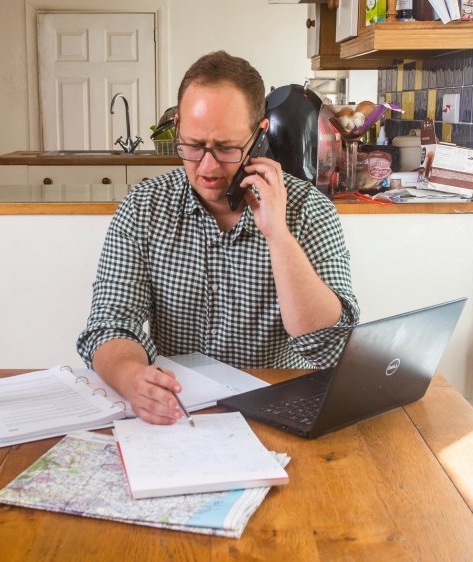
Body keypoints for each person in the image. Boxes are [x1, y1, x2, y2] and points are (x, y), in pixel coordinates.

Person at [77, 51, 359, 424]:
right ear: (177, 127)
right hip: (179, 413)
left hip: (279, 410)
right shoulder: (144, 206)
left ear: (259, 136)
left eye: (226, 148)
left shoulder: (309, 210)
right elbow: (109, 324)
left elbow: (332, 348)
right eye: (193, 145)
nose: (207, 168)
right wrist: (132, 380)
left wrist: (278, 235)